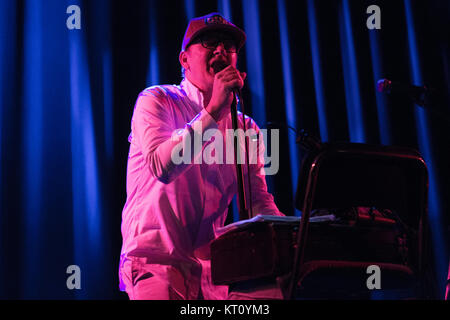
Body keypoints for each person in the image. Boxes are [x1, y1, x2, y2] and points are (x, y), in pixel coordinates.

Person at [119, 12, 283, 300]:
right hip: (156, 263)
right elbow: (162, 166)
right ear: (184, 60)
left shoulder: (246, 128)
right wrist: (213, 112)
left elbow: (258, 200)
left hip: (213, 273)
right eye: (209, 42)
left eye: (228, 46)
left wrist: (295, 234)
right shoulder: (156, 101)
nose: (220, 50)